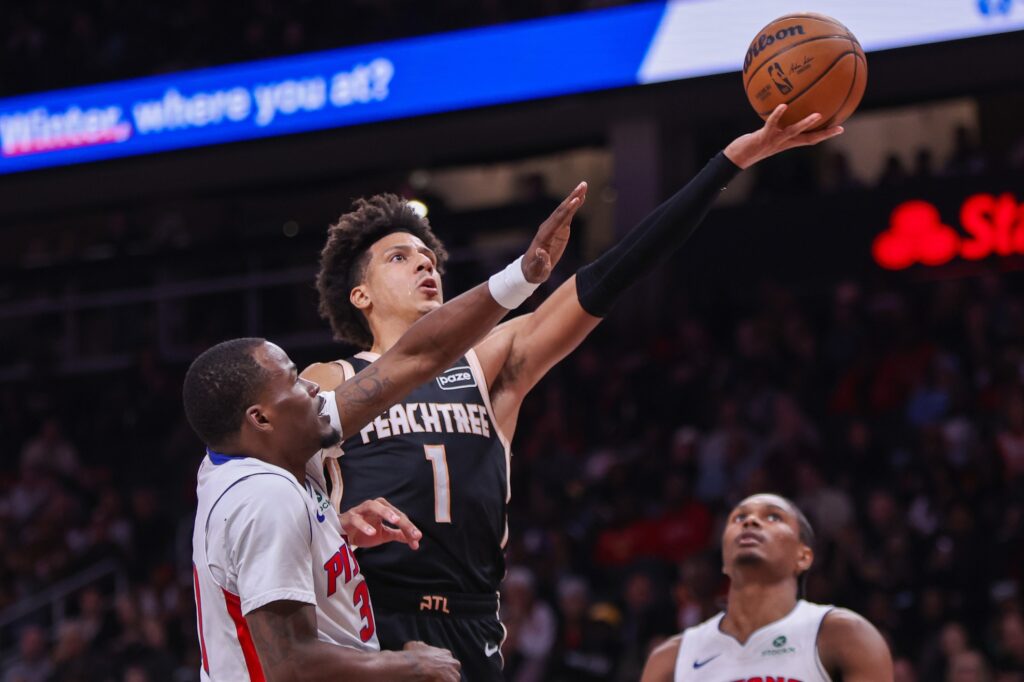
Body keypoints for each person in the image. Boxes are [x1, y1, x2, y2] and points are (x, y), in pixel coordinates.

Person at [303, 104, 843, 680]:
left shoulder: (489, 362)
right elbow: (270, 506)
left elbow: (616, 271)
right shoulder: (330, 381)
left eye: (429, 256)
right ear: (360, 296)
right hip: (364, 616)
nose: (425, 265)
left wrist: (733, 159)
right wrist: (337, 526)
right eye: (399, 257)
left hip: (471, 621)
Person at [184, 189, 583, 682]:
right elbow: (289, 663)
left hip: (467, 609)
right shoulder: (265, 497)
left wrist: (335, 530)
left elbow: (414, 360)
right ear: (261, 419)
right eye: (292, 381)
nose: (310, 384)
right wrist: (405, 664)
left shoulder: (256, 466)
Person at [639, 493, 893, 682]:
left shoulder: (845, 634)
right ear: (725, 557)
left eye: (773, 517)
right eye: (738, 518)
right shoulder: (671, 658)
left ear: (803, 556)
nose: (749, 522)